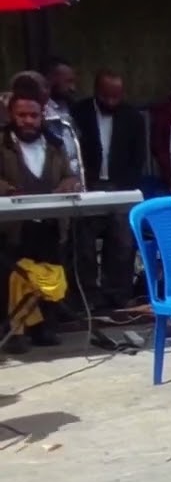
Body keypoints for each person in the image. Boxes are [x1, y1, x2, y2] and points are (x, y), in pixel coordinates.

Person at [0, 83, 79, 352]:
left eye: (33, 115)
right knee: (13, 278)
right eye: (22, 115)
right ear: (12, 115)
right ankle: (15, 331)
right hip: (12, 227)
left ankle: (45, 328)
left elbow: (70, 174)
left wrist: (69, 184)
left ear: (41, 116)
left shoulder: (55, 144)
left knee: (49, 274)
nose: (28, 121)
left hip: (49, 224)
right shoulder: (2, 144)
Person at [69, 69, 147, 310]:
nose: (111, 102)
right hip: (88, 187)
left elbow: (138, 155)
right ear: (96, 91)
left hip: (120, 186)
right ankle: (89, 298)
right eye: (106, 96)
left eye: (116, 96)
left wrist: (128, 184)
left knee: (122, 243)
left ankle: (118, 295)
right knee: (84, 247)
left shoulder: (132, 116)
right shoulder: (79, 113)